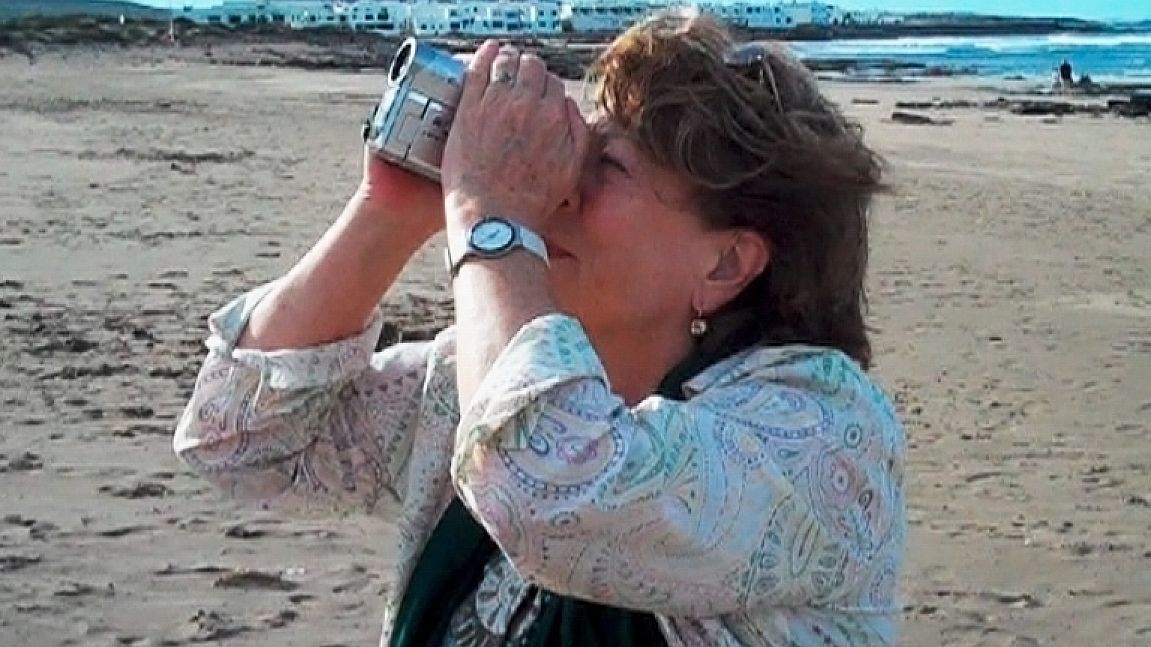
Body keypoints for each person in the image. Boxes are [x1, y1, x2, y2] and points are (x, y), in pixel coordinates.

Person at [174, 10, 906, 647]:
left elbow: (546, 485)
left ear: (726, 263)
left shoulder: (824, 438)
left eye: (604, 167)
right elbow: (239, 439)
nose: (553, 189)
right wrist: (388, 210)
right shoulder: (471, 383)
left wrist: (488, 212)